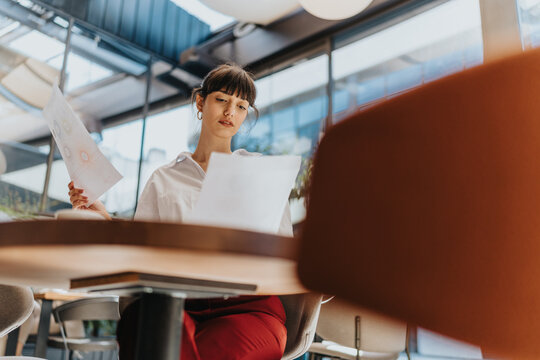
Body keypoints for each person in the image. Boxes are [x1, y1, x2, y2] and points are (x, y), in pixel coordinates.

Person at [68, 64, 291, 360]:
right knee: (142, 325)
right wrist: (104, 220)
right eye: (222, 100)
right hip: (177, 302)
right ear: (201, 102)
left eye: (241, 106)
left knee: (210, 350)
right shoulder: (164, 178)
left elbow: (286, 255)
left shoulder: (261, 175)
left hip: (248, 306)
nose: (230, 112)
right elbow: (140, 250)